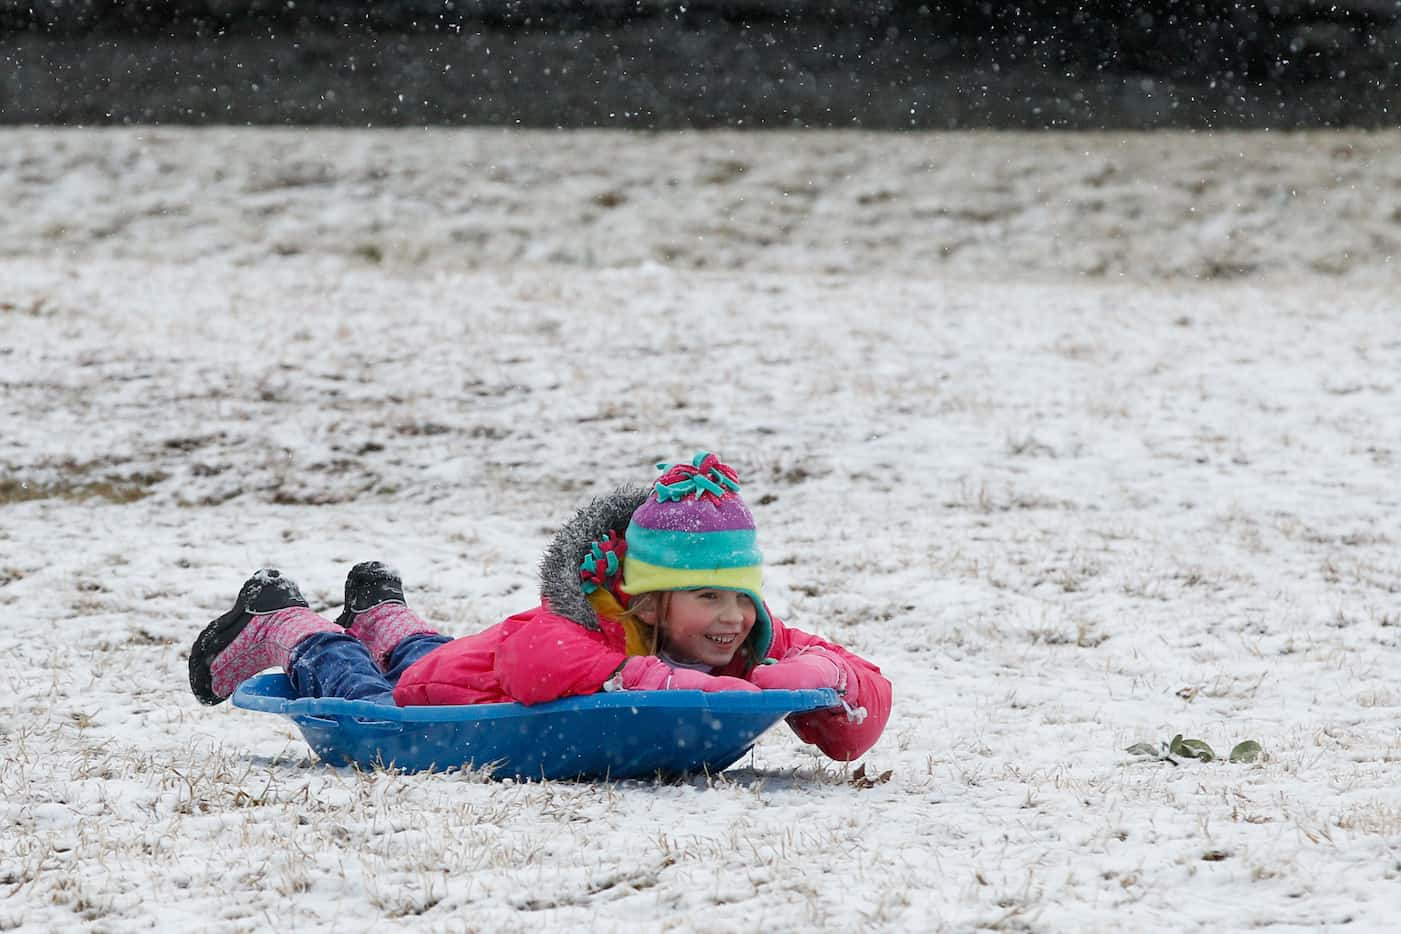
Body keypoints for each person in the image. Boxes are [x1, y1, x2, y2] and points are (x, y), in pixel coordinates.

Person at [190, 451, 891, 761]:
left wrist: (820, 684)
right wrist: (661, 681)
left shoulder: (731, 637)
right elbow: (533, 669)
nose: (733, 617)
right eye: (708, 596)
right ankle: (284, 621)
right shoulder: (571, 630)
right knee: (370, 686)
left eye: (742, 595)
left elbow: (850, 689)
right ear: (646, 604)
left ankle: (381, 611)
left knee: (429, 650)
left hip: (461, 658)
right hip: (426, 698)